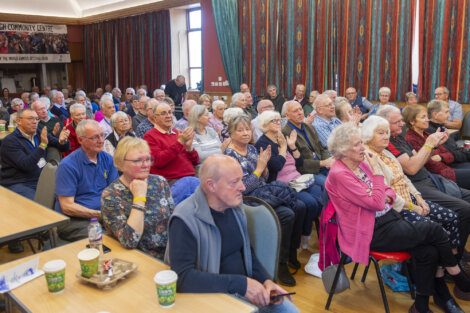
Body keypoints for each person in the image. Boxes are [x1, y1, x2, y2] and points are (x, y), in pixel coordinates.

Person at [326, 123, 470, 313]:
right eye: (356, 145)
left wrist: (382, 193)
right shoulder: (339, 174)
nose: (362, 147)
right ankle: (458, 276)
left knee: (428, 251)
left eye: (361, 142)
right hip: (370, 231)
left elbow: (388, 191)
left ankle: (421, 305)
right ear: (342, 151)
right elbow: (377, 202)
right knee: (434, 229)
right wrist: (377, 176)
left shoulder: (360, 164)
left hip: (389, 217)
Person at [167, 155, 299, 313]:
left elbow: (247, 251)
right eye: (234, 182)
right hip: (216, 299)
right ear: (211, 185)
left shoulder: (234, 207)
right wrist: (241, 284)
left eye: (241, 180)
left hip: (246, 292)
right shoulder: (185, 218)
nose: (243, 187)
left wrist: (266, 281)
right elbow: (183, 278)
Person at [377, 105, 470, 259]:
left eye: (402, 120)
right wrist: (429, 144)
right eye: (397, 121)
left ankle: (455, 251)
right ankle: (453, 260)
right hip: (417, 186)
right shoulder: (388, 142)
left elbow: (420, 159)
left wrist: (434, 145)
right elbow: (412, 168)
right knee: (465, 210)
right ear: (384, 123)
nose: (402, 123)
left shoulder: (398, 136)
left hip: (428, 179)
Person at [224, 114, 306, 286]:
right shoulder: (229, 156)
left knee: (299, 206)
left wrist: (265, 167)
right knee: (287, 214)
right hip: (246, 199)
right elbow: (242, 188)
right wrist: (260, 168)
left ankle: (291, 254)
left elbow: (265, 177)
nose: (246, 133)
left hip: (261, 191)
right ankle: (279, 264)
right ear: (231, 133)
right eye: (240, 130)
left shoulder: (252, 149)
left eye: (247, 129)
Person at [255, 110, 326, 251]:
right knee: (310, 203)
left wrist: (292, 145)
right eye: (273, 121)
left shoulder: (280, 136)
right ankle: (302, 236)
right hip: (282, 183)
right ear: (264, 124)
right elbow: (276, 166)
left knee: (320, 196)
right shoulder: (262, 143)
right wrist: (282, 148)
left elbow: (299, 161)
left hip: (297, 177)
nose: (278, 123)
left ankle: (308, 233)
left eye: (278, 120)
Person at [101, 137, 173, 260]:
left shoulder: (159, 182)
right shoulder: (110, 195)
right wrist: (139, 198)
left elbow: (173, 222)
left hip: (169, 253)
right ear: (121, 164)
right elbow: (129, 241)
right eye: (138, 161)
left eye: (148, 159)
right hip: (137, 258)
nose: (145, 165)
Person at [55, 120, 118, 242]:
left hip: (103, 214)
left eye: (102, 135)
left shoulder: (107, 159)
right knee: (107, 240)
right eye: (95, 137)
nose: (101, 140)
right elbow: (67, 206)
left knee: (129, 231)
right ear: (80, 140)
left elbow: (114, 192)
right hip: (75, 220)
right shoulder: (68, 165)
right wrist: (99, 215)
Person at [1, 108, 69, 199]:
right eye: (30, 118)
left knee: (66, 195)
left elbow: (62, 147)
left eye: (37, 119)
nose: (35, 122)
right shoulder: (10, 141)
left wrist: (62, 141)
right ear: (18, 121)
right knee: (40, 203)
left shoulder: (39, 133)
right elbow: (26, 165)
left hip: (41, 178)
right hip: (19, 182)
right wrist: (42, 145)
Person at [143, 102, 199, 204]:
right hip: (171, 181)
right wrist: (180, 142)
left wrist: (189, 148)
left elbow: (196, 161)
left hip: (191, 177)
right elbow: (159, 161)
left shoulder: (177, 133)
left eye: (170, 112)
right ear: (155, 118)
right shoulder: (149, 136)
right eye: (164, 113)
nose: (169, 116)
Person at [403, 104, 470, 189]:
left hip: (447, 166)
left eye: (427, 116)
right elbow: (430, 164)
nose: (427, 120)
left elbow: (444, 152)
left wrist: (441, 154)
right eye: (423, 117)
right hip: (440, 175)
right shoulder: (411, 139)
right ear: (412, 121)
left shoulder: (425, 134)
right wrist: (441, 154)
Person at [281, 101, 333, 177]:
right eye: (295, 111)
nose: (300, 113)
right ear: (287, 116)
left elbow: (322, 148)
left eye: (300, 109)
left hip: (323, 166)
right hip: (307, 172)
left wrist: (328, 162)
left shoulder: (309, 127)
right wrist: (322, 163)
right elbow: (298, 162)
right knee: (328, 183)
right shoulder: (286, 133)